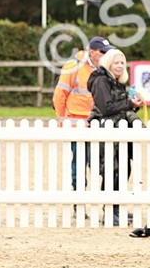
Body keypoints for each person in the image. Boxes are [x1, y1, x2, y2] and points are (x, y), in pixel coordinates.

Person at [89, 48, 144, 225]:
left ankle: (117, 208)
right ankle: (109, 211)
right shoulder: (101, 81)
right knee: (110, 172)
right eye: (116, 62)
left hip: (119, 132)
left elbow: (119, 106)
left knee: (123, 169)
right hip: (107, 132)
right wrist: (129, 103)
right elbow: (106, 107)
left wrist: (133, 105)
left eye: (122, 62)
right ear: (108, 63)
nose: (120, 66)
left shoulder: (117, 82)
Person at [52, 35, 111, 189]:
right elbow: (60, 94)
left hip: (99, 123)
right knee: (79, 163)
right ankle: (78, 198)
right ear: (91, 52)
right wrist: (61, 118)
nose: (106, 55)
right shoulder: (73, 66)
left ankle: (108, 200)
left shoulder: (106, 67)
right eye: (102, 52)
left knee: (102, 163)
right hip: (77, 123)